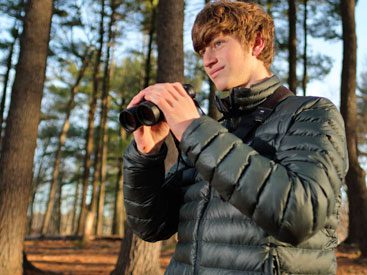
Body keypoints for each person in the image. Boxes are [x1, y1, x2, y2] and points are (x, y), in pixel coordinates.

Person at [122, 1, 348, 274]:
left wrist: (194, 130)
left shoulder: (311, 113)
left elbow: (300, 215)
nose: (207, 60)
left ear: (257, 43)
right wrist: (145, 156)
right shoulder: (213, 132)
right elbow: (153, 226)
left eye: (218, 43)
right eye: (202, 50)